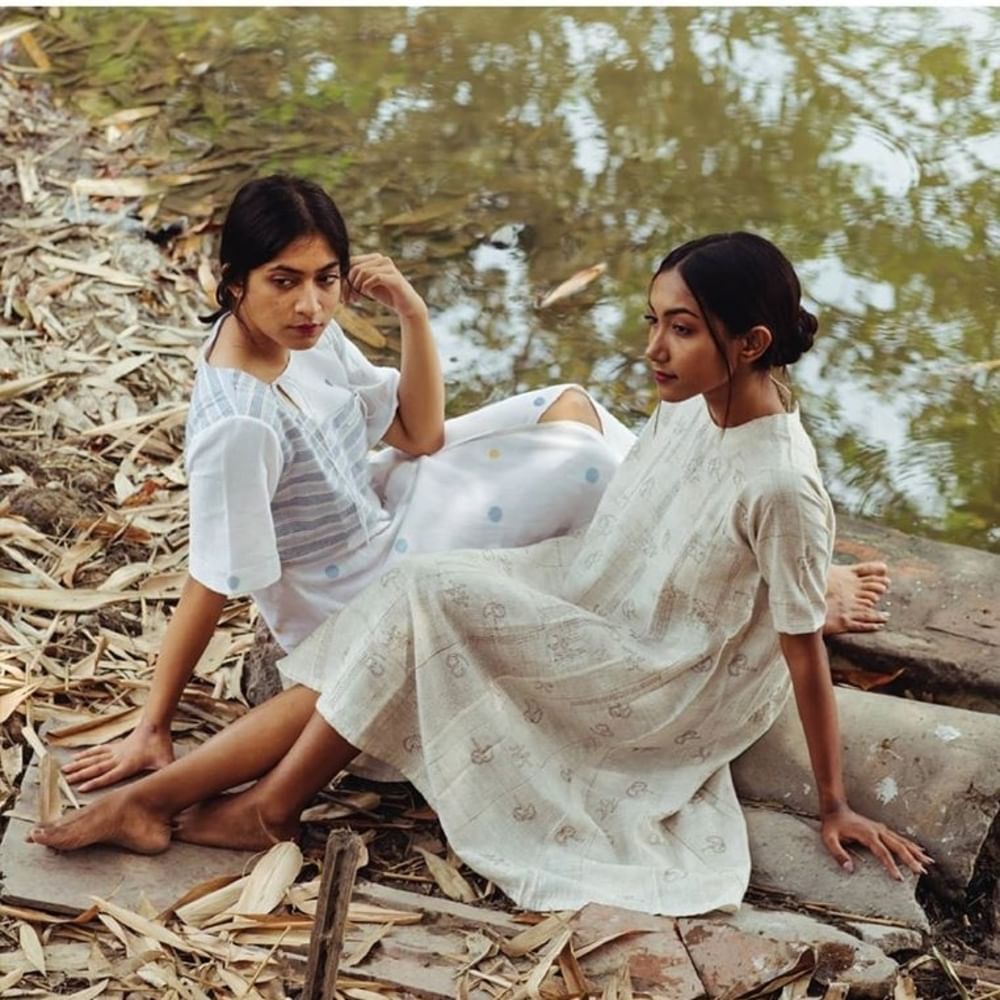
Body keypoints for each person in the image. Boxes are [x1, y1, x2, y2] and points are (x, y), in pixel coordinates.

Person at [31, 232, 923, 919]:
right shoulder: (697, 402)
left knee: (427, 591)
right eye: (653, 320)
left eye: (682, 330)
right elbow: (664, 535)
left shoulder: (781, 480)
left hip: (664, 674)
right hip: (595, 590)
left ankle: (265, 804)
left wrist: (835, 804)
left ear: (751, 340)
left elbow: (801, 652)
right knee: (415, 597)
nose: (654, 348)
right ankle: (169, 795)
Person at [62, 174, 635, 792]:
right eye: (284, 280)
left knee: (572, 406)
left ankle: (632, 571)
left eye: (326, 279)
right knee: (588, 465)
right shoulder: (241, 424)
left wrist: (412, 313)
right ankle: (645, 609)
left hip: (384, 504)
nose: (310, 304)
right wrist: (154, 723)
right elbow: (210, 578)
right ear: (235, 283)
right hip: (351, 588)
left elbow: (419, 434)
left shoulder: (302, 331)